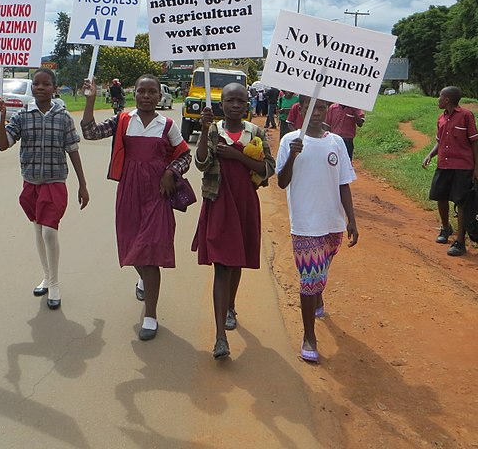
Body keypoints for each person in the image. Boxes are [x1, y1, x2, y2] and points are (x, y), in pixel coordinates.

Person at [81, 74, 191, 341]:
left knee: (151, 252)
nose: (146, 96)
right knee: (131, 246)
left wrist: (171, 171)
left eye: (152, 91)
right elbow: (90, 132)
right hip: (129, 191)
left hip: (157, 194)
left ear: (160, 95)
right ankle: (142, 279)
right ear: (134, 94)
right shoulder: (123, 120)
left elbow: (185, 155)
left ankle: (151, 315)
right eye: (141, 91)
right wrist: (91, 101)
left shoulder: (167, 125)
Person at [0, 68, 89, 309]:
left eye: (46, 84)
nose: (40, 87)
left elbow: (73, 149)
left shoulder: (63, 117)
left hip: (55, 181)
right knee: (37, 229)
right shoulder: (23, 116)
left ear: (55, 88)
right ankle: (46, 277)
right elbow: (4, 145)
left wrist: (83, 184)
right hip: (31, 181)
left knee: (49, 231)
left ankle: (55, 284)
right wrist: (0, 118)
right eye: (36, 84)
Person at [192, 83, 275, 359]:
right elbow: (201, 163)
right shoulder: (214, 130)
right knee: (222, 266)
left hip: (244, 203)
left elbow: (267, 170)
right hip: (219, 201)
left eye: (240, 100)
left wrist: (238, 156)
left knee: (235, 261)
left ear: (248, 105)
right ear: (221, 103)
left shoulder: (256, 133)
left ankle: (230, 306)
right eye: (230, 100)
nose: (235, 105)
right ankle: (219, 337)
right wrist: (203, 130)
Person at [276, 95, 359, 364]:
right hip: (305, 224)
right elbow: (281, 181)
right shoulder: (290, 141)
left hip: (332, 224)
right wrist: (293, 155)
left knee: (321, 271)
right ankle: (309, 337)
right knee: (309, 279)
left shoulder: (335, 142)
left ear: (327, 109)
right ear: (300, 109)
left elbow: (343, 183)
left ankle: (318, 295)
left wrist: (351, 219)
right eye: (311, 107)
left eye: (322, 107)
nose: (317, 112)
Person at [421, 86, 478, 257]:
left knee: (461, 201)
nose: (438, 99)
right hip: (444, 165)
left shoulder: (466, 116)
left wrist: (476, 168)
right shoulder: (441, 118)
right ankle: (445, 227)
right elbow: (439, 142)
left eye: (440, 96)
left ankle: (460, 241)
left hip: (463, 166)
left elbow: (475, 143)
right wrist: (430, 155)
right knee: (440, 196)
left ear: (447, 99)